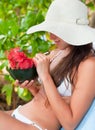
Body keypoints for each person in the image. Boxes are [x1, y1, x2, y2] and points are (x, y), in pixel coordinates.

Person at [0, 0, 95, 129]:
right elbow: (49, 101)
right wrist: (34, 88)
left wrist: (45, 76)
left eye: (57, 30)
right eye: (50, 30)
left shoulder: (88, 65)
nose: (51, 37)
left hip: (34, 126)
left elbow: (70, 122)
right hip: (19, 115)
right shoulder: (57, 53)